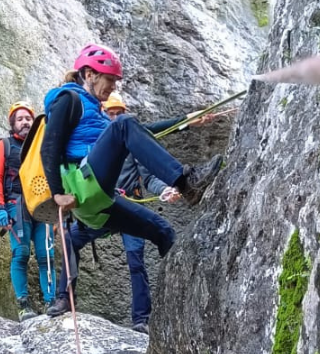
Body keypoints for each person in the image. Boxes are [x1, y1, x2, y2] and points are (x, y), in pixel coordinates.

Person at [41, 43, 224, 317]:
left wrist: (185, 121)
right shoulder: (69, 99)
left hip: (99, 200)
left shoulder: (98, 113)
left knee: (162, 231)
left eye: (115, 81)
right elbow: (49, 146)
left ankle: (176, 310)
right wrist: (57, 193)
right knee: (124, 124)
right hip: (79, 185)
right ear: (89, 74)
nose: (113, 87)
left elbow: (143, 131)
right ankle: (187, 183)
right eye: (110, 79)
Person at [70, 93, 221, 334]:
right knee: (70, 240)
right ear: (103, 114)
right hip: (101, 205)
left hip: (128, 208)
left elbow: (148, 175)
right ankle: (64, 301)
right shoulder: (98, 143)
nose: (116, 117)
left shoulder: (127, 145)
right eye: (112, 113)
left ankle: (141, 319)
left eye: (120, 113)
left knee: (136, 261)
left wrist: (164, 190)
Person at [0, 101, 57, 322]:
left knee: (46, 254)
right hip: (15, 206)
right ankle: (23, 305)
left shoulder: (42, 145)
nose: (25, 122)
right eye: (20, 119)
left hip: (42, 205)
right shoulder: (5, 146)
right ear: (12, 124)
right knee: (21, 254)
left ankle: (51, 302)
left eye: (28, 118)